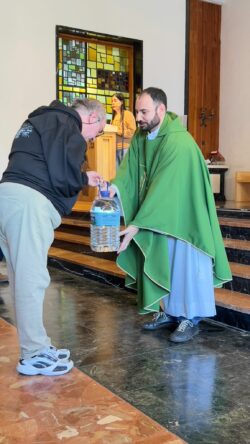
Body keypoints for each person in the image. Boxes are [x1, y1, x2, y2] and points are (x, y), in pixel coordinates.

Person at [110, 87, 232, 343]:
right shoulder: (142, 138)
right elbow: (129, 170)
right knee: (166, 262)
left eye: (143, 111)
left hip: (186, 219)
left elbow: (165, 187)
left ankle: (191, 318)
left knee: (185, 265)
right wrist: (114, 187)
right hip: (160, 216)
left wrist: (137, 223)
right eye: (137, 111)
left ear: (161, 109)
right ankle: (170, 311)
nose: (139, 117)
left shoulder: (178, 141)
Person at [0, 98, 106, 375]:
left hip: (8, 196)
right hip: (29, 204)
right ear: (92, 118)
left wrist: (84, 178)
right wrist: (82, 179)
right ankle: (34, 354)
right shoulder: (68, 124)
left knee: (20, 278)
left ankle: (35, 346)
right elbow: (63, 177)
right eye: (97, 133)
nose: (93, 140)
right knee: (32, 279)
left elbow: (49, 163)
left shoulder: (40, 119)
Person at [111, 93, 136, 166]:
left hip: (124, 148)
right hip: (114, 148)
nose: (113, 103)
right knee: (116, 173)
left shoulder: (127, 114)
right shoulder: (114, 116)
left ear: (121, 102)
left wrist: (117, 130)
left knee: (124, 171)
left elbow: (131, 131)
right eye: (112, 101)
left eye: (115, 100)